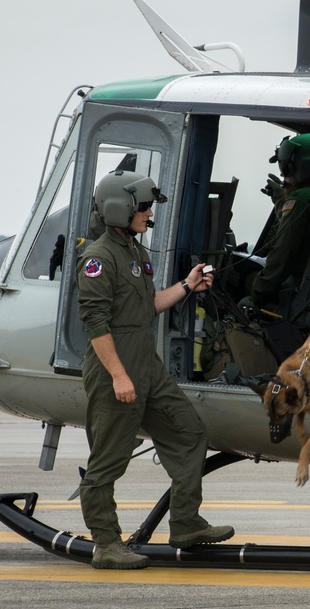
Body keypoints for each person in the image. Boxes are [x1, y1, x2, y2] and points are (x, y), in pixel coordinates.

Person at [77, 169, 234, 570]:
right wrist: (118, 375)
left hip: (146, 365)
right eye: (144, 208)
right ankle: (106, 544)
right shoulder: (97, 258)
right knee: (108, 462)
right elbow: (96, 323)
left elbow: (145, 307)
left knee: (189, 432)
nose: (150, 215)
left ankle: (185, 523)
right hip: (117, 367)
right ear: (121, 209)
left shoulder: (136, 253)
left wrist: (187, 286)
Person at [239, 133, 310, 315]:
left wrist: (256, 298)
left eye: (287, 168)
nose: (284, 174)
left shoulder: (300, 200)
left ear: (300, 167)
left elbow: (283, 254)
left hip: (301, 290)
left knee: (237, 274)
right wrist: (280, 201)